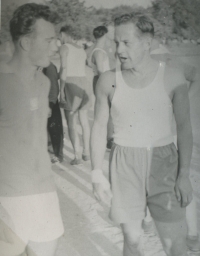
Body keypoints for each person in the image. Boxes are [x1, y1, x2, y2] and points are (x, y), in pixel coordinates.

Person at [90, 13, 193, 256]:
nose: (118, 50)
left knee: (174, 245)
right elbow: (97, 126)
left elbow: (184, 128)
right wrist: (96, 173)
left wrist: (185, 174)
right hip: (124, 164)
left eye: (127, 43)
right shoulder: (107, 81)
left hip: (164, 163)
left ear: (147, 43)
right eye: (116, 42)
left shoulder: (172, 77)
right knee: (133, 240)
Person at [0, 4, 64, 256]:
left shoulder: (44, 81)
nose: (56, 46)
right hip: (8, 198)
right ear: (26, 42)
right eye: (49, 40)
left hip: (44, 192)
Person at [151, 42, 200, 252]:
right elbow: (196, 74)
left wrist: (185, 100)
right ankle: (193, 234)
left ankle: (191, 233)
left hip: (165, 135)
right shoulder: (174, 62)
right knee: (182, 181)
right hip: (172, 132)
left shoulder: (151, 65)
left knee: (169, 180)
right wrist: (186, 99)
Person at [59, 25, 91, 165]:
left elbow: (64, 68)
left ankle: (77, 155)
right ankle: (86, 152)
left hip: (71, 82)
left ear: (63, 34)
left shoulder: (64, 47)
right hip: (84, 82)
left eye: (60, 36)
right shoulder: (80, 49)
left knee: (71, 122)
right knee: (84, 121)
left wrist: (61, 90)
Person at [43, 62, 64, 163]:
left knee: (54, 130)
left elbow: (54, 89)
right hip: (41, 103)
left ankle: (56, 154)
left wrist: (50, 105)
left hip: (50, 104)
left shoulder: (49, 67)